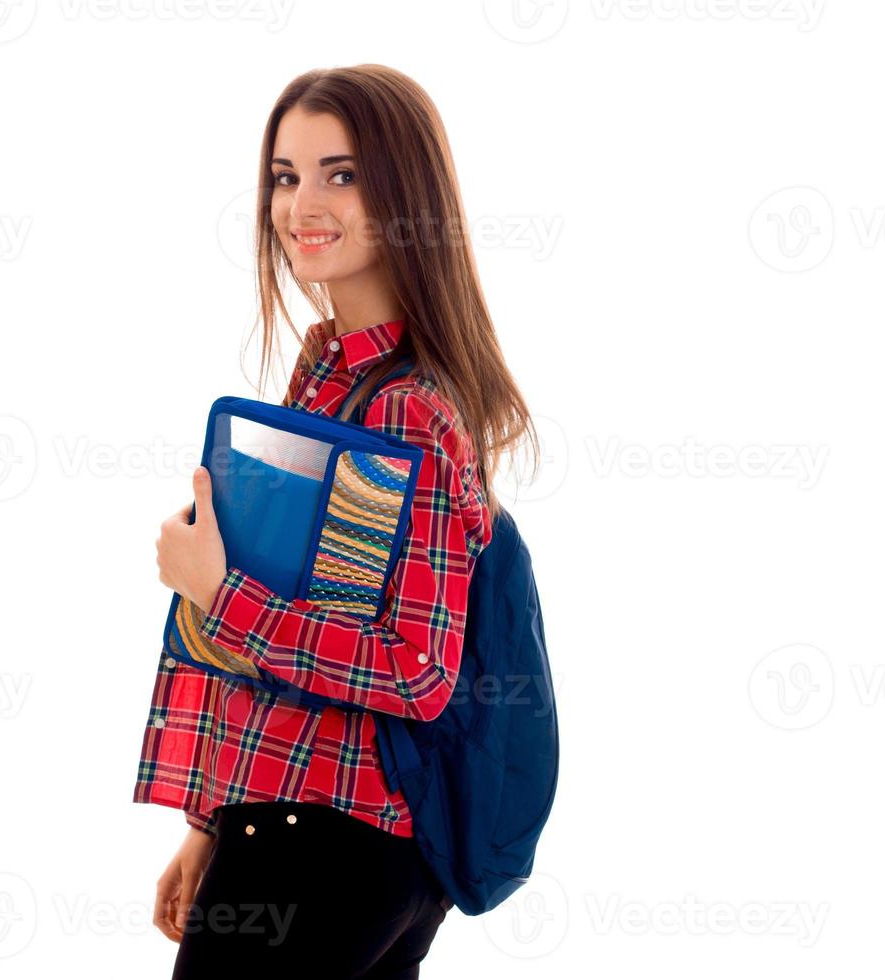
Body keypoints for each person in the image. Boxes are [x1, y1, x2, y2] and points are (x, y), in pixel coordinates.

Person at [134, 63, 541, 978]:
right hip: (302, 826)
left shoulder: (406, 410)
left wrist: (215, 591)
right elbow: (319, 617)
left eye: (341, 173)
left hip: (329, 842)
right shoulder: (329, 377)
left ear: (405, 194)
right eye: (286, 175)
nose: (301, 203)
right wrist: (215, 822)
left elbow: (416, 667)